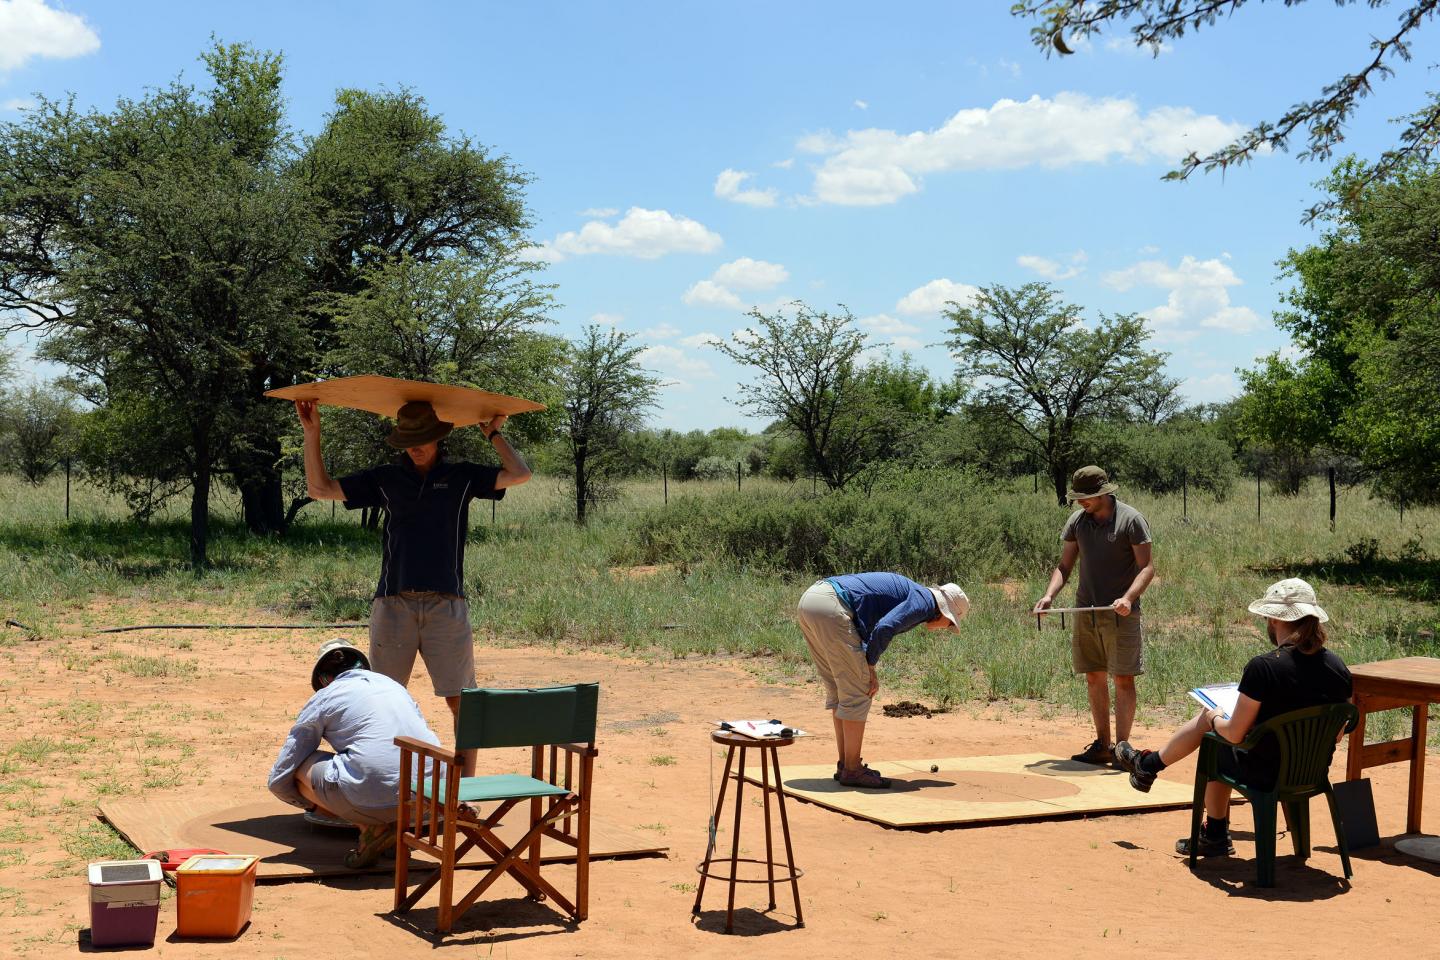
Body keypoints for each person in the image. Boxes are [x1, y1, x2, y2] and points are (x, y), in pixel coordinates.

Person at [295, 398, 531, 777]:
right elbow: (320, 489)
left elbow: (520, 473)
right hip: (394, 604)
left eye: (422, 437)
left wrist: (494, 434)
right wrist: (312, 432)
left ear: (438, 437)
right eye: (408, 438)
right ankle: (385, 786)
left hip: (446, 604)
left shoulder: (463, 476)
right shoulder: (385, 479)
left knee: (462, 702)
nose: (415, 445)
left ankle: (463, 791)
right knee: (380, 701)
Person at [1114, 578, 1352, 856]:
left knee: (1216, 740)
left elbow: (1235, 733)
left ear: (1274, 619)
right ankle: (1149, 765)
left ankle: (1213, 832)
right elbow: (1340, 728)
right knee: (1220, 728)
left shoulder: (1264, 667)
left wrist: (1214, 718)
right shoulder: (1338, 667)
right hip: (1311, 772)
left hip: (1265, 773)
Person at [268, 639, 442, 860]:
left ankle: (369, 827)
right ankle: (393, 828)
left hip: (372, 798)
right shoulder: (394, 686)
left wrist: (309, 805)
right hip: (430, 798)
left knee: (300, 766)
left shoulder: (325, 696)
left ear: (323, 679)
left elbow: (284, 770)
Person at [796, 573, 969, 789]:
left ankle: (846, 765)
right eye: (950, 623)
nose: (947, 628)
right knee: (858, 691)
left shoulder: (916, 594)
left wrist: (868, 663)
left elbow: (872, 627)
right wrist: (869, 667)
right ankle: (852, 769)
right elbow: (885, 628)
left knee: (842, 692)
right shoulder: (924, 602)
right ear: (944, 611)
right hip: (832, 607)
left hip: (812, 601)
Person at [1033, 465, 1154, 766]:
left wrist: (1128, 598)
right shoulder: (1077, 521)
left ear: (1103, 493)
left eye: (1086, 497)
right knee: (1093, 676)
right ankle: (1102, 745)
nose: (1080, 503)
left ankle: (1122, 751)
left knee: (1123, 677)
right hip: (1086, 608)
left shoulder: (1131, 520)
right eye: (1077, 498)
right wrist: (1049, 596)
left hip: (1121, 612)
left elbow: (1147, 568)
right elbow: (1064, 566)